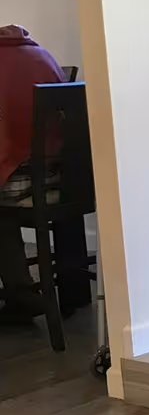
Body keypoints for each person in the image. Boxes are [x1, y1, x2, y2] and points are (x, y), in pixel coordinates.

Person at [0, 26, 86, 322]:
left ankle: (21, 294)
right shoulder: (41, 53)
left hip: (29, 181)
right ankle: (54, 292)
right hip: (68, 176)